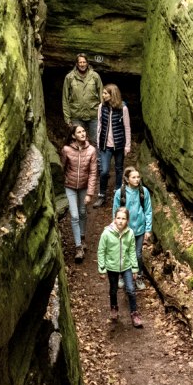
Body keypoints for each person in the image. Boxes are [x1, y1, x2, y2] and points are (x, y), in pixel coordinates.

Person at [59, 124, 98, 262]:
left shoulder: (92, 150)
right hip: (69, 186)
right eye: (79, 132)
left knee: (82, 212)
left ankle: (82, 237)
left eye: (83, 131)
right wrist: (63, 183)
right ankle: (78, 247)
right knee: (74, 216)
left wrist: (89, 194)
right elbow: (62, 167)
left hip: (83, 187)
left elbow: (93, 173)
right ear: (73, 135)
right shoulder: (66, 150)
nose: (82, 133)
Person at [98, 207, 143, 328]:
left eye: (123, 218)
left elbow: (132, 252)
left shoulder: (130, 233)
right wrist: (102, 268)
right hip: (111, 267)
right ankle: (114, 307)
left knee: (130, 289)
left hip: (126, 266)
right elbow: (101, 251)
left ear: (127, 220)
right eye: (118, 218)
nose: (120, 221)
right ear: (114, 218)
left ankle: (134, 313)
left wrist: (134, 268)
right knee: (113, 289)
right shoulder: (106, 233)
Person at [112, 166, 155, 288]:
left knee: (138, 255)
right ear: (127, 179)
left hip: (139, 229)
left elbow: (148, 210)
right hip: (124, 229)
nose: (137, 180)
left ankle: (139, 276)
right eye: (134, 177)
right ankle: (122, 276)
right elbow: (115, 211)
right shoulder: (121, 193)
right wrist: (116, 227)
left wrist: (148, 229)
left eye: (138, 177)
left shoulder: (143, 191)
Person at [94, 84, 132, 205]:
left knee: (119, 169)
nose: (103, 95)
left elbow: (127, 127)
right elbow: (99, 125)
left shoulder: (123, 108)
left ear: (112, 95)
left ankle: (118, 193)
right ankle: (101, 195)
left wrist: (127, 145)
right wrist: (98, 142)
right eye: (103, 93)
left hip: (119, 145)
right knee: (104, 171)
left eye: (105, 93)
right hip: (105, 145)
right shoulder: (102, 106)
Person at [62, 54, 103, 144]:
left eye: (84, 62)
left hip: (94, 115)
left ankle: (96, 158)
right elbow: (65, 99)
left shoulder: (95, 76)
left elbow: (101, 96)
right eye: (80, 62)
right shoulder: (69, 77)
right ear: (77, 64)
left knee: (96, 141)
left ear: (87, 63)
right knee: (78, 141)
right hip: (76, 115)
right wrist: (67, 118)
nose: (82, 64)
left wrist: (103, 113)